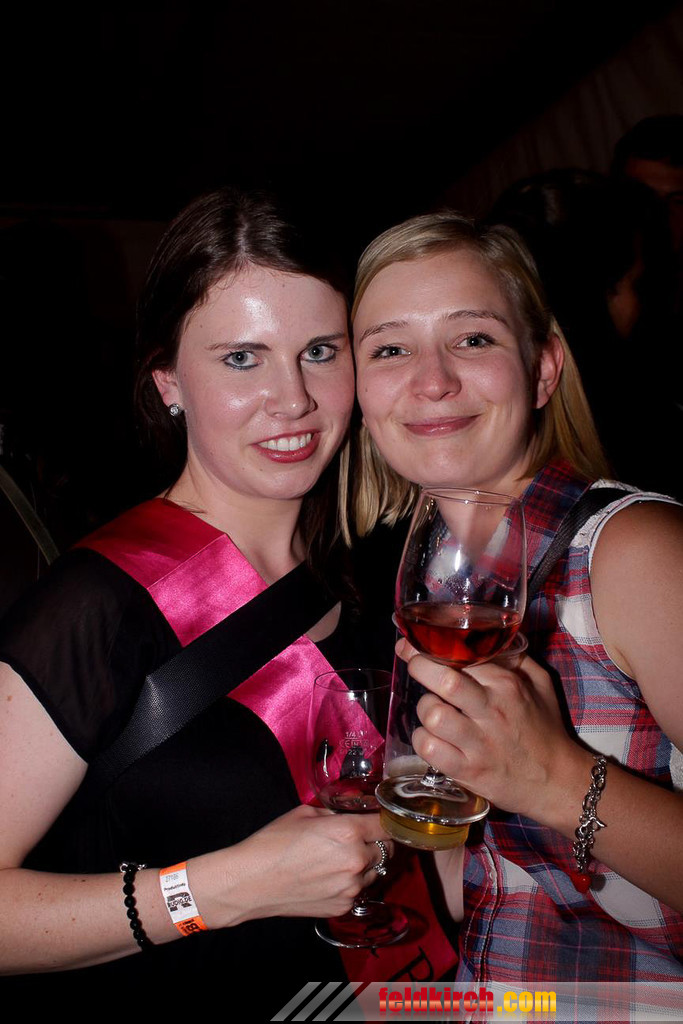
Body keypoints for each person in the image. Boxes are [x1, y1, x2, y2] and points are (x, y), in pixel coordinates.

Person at [0, 188, 453, 1007]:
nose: (294, 398)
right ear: (167, 382)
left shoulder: (374, 577)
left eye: (320, 351)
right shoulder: (94, 606)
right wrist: (217, 889)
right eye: (242, 358)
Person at [350, 211, 683, 985]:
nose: (432, 380)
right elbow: (491, 877)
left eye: (472, 338)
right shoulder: (432, 573)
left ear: (542, 369)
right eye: (390, 348)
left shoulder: (633, 553)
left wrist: (553, 779)